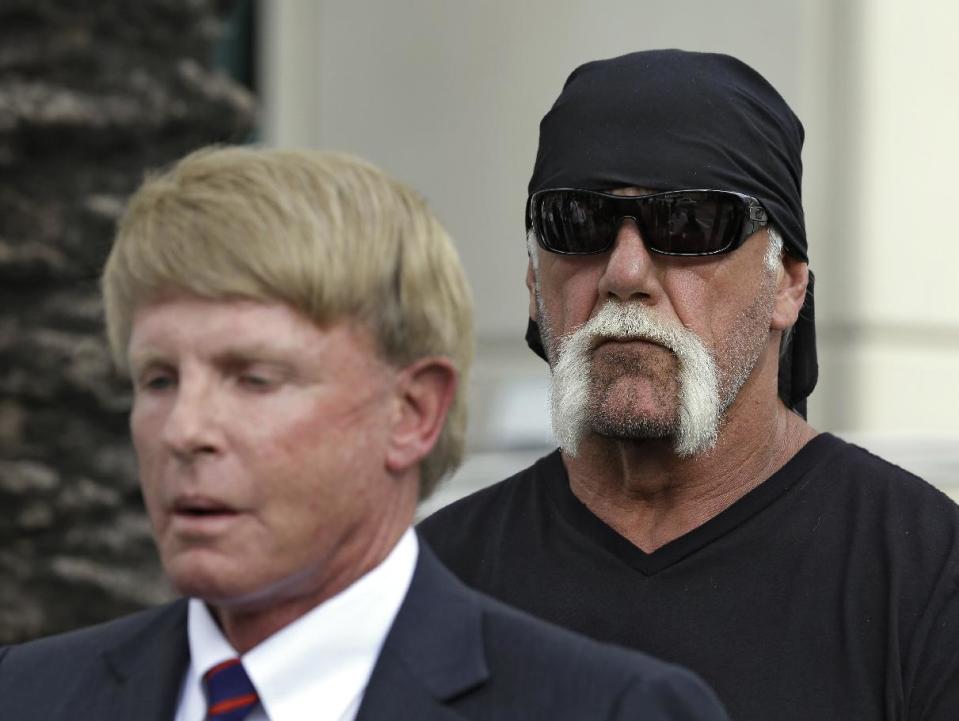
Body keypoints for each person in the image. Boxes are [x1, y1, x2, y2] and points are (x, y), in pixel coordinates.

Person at [0, 146, 729, 721]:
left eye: (253, 378)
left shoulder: (604, 710)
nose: (185, 431)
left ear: (412, 411)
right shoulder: (28, 696)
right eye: (158, 379)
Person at [420, 49, 959, 721]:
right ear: (534, 285)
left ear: (787, 283)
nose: (624, 272)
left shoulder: (923, 572)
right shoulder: (431, 578)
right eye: (576, 223)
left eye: (690, 225)